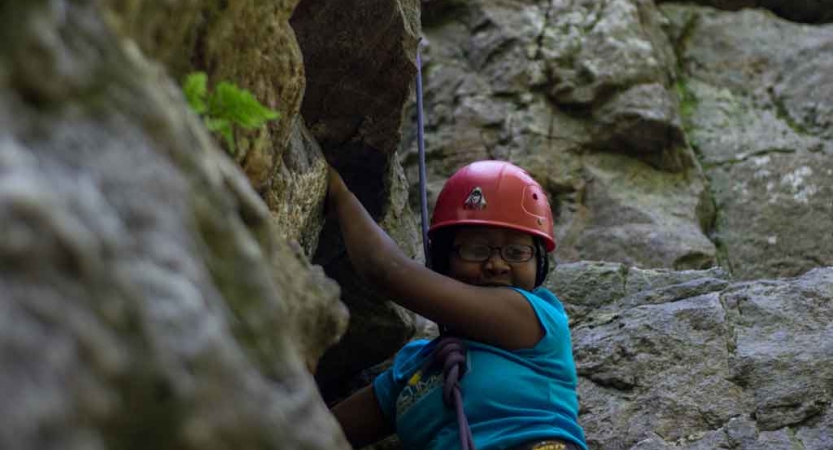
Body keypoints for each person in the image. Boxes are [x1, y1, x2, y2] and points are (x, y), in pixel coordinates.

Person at [327, 160, 588, 450]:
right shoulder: (413, 369)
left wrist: (339, 193)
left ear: (538, 265)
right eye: (476, 250)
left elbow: (386, 271)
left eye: (517, 252)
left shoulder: (534, 319)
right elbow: (318, 432)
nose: (497, 264)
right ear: (442, 260)